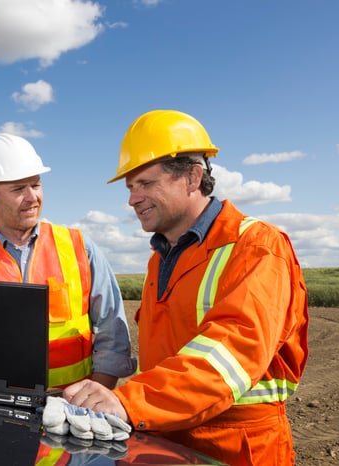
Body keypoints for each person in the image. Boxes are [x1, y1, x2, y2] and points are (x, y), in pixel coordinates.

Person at [63, 109, 309, 465]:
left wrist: (128, 401)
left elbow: (231, 353)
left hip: (235, 447)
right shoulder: (160, 257)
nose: (132, 198)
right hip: (163, 442)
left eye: (145, 183)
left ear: (193, 177)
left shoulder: (255, 246)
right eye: (131, 187)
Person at [0, 132, 136, 389]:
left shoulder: (80, 247)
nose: (32, 197)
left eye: (36, 185)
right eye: (18, 189)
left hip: (73, 409)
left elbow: (112, 330)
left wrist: (95, 396)